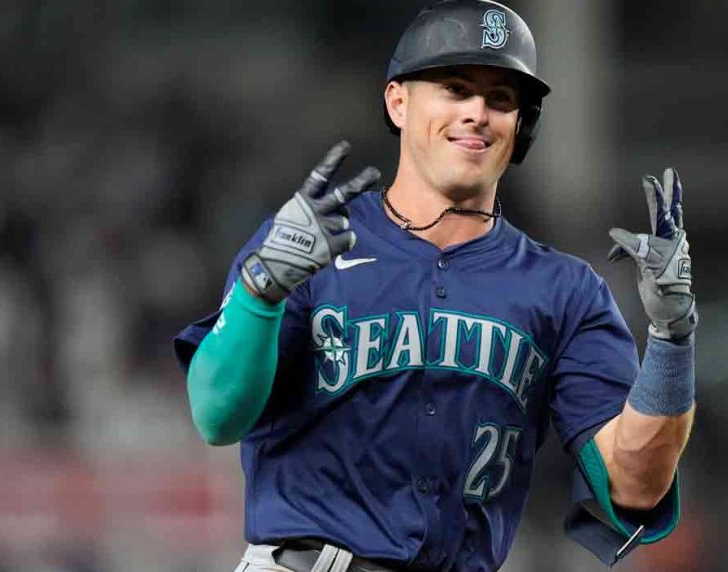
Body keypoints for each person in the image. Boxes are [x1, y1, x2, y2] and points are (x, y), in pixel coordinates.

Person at [173, 1, 698, 570]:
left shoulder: (566, 291)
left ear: (521, 126)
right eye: (455, 89)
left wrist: (672, 339)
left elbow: (634, 485)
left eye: (501, 99)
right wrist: (261, 293)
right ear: (397, 102)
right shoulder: (310, 243)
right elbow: (216, 416)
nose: (477, 113)